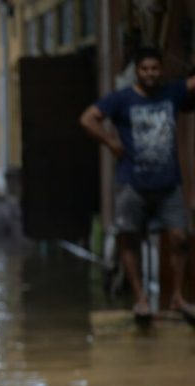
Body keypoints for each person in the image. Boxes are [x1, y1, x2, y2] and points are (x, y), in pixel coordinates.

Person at [79, 45, 195, 324]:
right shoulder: (121, 99)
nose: (150, 74)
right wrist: (111, 143)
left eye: (155, 69)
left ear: (161, 70)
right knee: (129, 239)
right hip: (132, 184)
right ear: (137, 71)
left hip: (168, 185)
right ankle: (141, 299)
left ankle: (177, 297)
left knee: (180, 238)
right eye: (145, 69)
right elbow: (87, 119)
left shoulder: (172, 92)